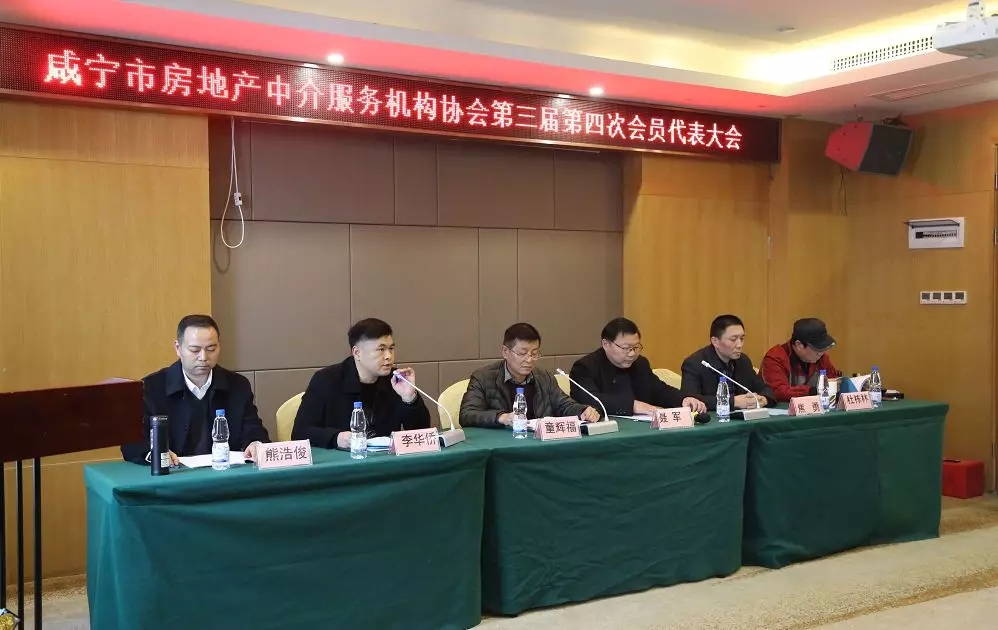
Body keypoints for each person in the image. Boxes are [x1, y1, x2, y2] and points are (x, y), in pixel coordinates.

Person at [121, 314, 269, 465]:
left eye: (211, 349)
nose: (203, 357)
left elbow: (253, 428)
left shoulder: (237, 385)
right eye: (194, 350)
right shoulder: (151, 387)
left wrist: (255, 443)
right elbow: (132, 444)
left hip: (225, 471)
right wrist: (154, 453)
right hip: (173, 473)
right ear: (178, 348)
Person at [292, 318, 430, 449]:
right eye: (381, 349)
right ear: (357, 352)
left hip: (385, 459)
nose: (389, 356)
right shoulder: (326, 380)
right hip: (343, 461)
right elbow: (300, 432)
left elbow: (422, 434)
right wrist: (336, 438)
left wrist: (409, 399)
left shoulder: (396, 380)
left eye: (391, 348)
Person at [459, 323, 600, 428]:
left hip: (539, 445)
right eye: (522, 353)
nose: (529, 359)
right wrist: (501, 417)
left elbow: (564, 405)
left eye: (534, 353)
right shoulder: (483, 378)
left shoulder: (544, 377)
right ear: (505, 352)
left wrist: (583, 411)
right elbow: (467, 415)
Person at [569, 317, 706, 416]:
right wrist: (633, 406)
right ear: (606, 344)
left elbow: (659, 391)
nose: (632, 353)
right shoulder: (585, 367)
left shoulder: (640, 363)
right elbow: (590, 400)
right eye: (626, 348)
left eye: (636, 347)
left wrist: (683, 399)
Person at [680, 314, 774, 411]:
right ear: (715, 341)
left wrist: (763, 399)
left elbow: (765, 389)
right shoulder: (695, 363)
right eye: (733, 339)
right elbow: (690, 400)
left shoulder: (743, 361)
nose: (739, 345)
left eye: (742, 338)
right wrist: (733, 402)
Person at [760, 317, 841, 403]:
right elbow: (777, 392)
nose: (821, 353)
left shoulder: (821, 357)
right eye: (817, 349)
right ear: (799, 345)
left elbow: (833, 382)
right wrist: (811, 392)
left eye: (824, 348)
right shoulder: (775, 358)